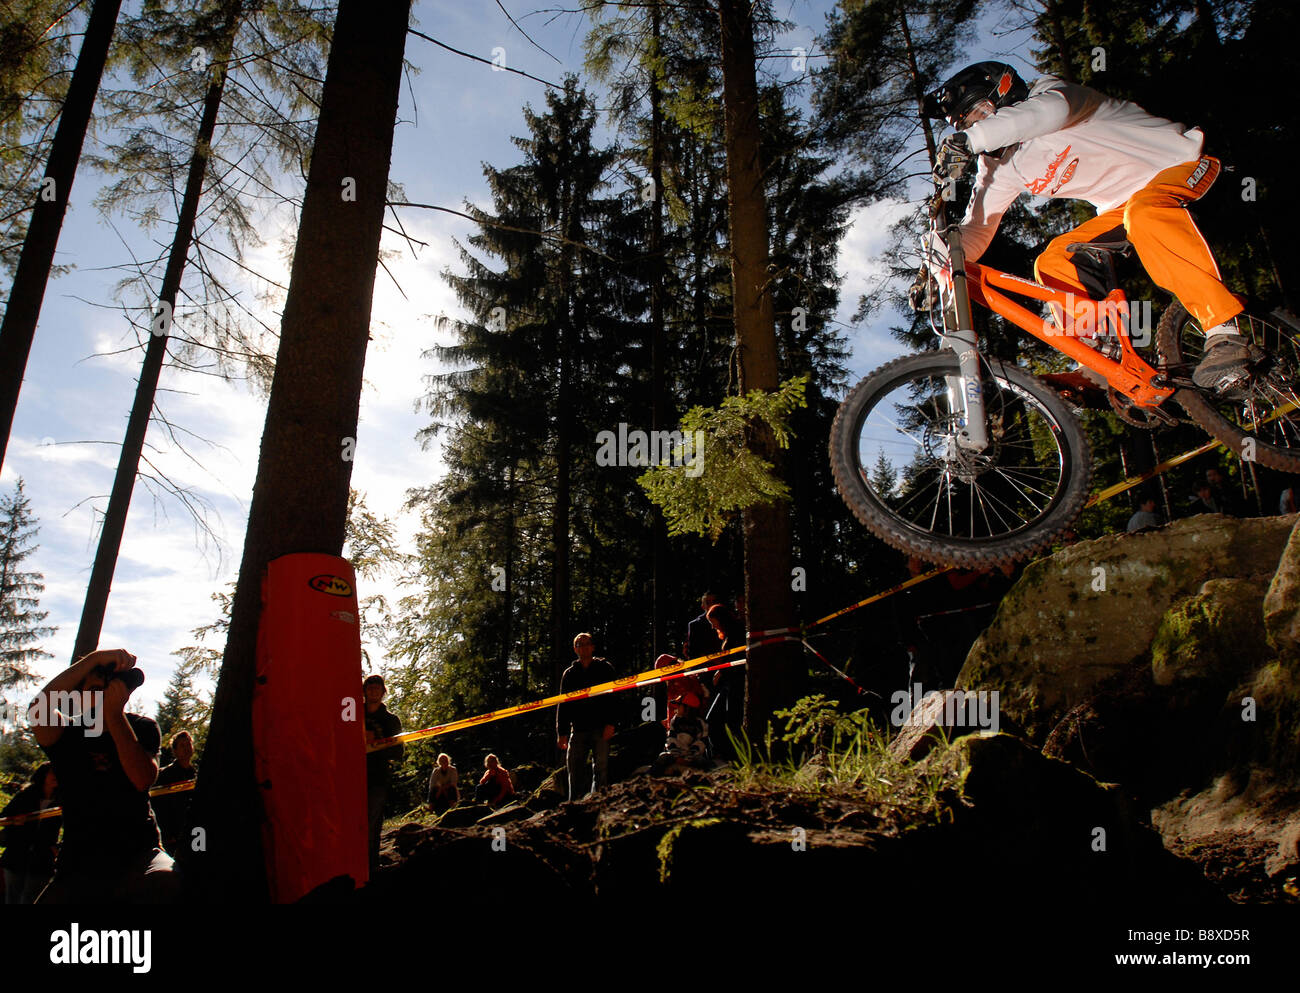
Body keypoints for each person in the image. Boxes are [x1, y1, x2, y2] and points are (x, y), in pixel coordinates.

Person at [918, 62, 1248, 393]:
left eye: (978, 113)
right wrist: (937, 267)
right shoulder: (1001, 166)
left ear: (1002, 91)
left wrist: (969, 139)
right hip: (1122, 209)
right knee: (1054, 262)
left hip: (1184, 164)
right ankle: (1101, 366)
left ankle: (1224, 330)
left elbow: (1046, 114)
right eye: (966, 123)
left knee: (1145, 212)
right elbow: (979, 227)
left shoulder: (1054, 95)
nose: (975, 125)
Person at [30, 648, 180, 903]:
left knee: (169, 882)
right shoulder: (66, 733)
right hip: (78, 861)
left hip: (140, 853)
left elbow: (142, 779)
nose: (100, 697)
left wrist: (114, 717)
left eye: (107, 690)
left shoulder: (142, 727)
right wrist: (93, 660)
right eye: (94, 691)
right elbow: (37, 710)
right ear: (78, 696)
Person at [556, 633, 617, 801]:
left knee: (601, 770)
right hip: (578, 729)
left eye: (586, 643)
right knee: (574, 770)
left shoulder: (605, 668)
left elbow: (614, 698)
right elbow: (564, 704)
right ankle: (573, 805)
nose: (583, 647)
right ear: (575, 649)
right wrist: (561, 733)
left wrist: (611, 723)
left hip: (601, 727)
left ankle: (600, 803)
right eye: (579, 644)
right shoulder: (569, 674)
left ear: (593, 647)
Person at [0, 763, 60, 904]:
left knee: (32, 899)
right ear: (43, 775)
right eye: (52, 773)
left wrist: (57, 849)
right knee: (12, 897)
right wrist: (15, 821)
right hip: (17, 854)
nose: (56, 776)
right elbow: (4, 818)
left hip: (42, 859)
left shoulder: (61, 801)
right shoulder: (25, 796)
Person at [362, 674, 403, 874]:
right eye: (369, 688)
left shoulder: (391, 720)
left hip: (377, 777)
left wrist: (376, 743)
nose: (373, 691)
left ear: (383, 691)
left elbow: (398, 752)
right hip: (348, 776)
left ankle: (370, 866)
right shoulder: (351, 714)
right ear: (364, 691)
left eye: (377, 688)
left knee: (372, 823)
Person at [705, 602, 746, 752]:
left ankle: (733, 754)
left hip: (736, 683)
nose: (712, 626)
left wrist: (722, 671)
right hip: (728, 684)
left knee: (730, 721)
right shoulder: (730, 635)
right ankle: (721, 754)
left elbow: (737, 659)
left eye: (712, 622)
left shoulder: (737, 632)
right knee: (715, 719)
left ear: (720, 619)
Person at [152, 730, 197, 861]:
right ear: (175, 751)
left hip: (193, 833)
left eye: (188, 744)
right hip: (172, 837)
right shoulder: (164, 775)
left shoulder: (194, 774)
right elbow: (157, 805)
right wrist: (166, 835)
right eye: (182, 745)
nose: (186, 748)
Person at [651, 694, 711, 775]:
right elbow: (671, 739)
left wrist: (688, 759)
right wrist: (676, 757)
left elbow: (701, 743)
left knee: (702, 761)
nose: (676, 708)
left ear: (688, 708)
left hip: (692, 756)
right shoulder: (675, 720)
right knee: (662, 757)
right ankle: (649, 775)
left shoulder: (701, 723)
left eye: (679, 705)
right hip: (676, 755)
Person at [684, 592, 721, 660]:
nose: (711, 605)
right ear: (703, 606)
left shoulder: (725, 619)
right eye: (707, 602)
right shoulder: (695, 625)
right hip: (704, 664)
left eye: (714, 601)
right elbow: (692, 651)